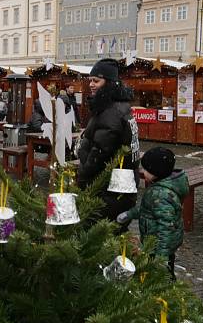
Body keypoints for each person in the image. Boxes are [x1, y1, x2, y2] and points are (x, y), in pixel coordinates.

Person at [77, 58, 140, 221]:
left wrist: (82, 175)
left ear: (109, 83)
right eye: (90, 80)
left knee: (101, 230)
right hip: (120, 185)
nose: (91, 84)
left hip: (107, 186)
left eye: (96, 81)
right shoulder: (119, 105)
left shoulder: (111, 110)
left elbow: (100, 152)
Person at [117, 147, 186, 279]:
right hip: (153, 242)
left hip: (159, 246)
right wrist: (130, 214)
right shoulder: (158, 187)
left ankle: (166, 291)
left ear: (157, 173)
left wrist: (162, 256)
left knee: (162, 274)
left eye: (146, 170)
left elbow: (166, 227)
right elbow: (147, 209)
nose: (143, 172)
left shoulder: (162, 195)